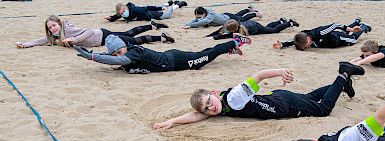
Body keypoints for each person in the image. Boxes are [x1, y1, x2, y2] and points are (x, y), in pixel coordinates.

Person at [152, 62, 365, 130]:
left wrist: (280, 72)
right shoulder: (221, 106)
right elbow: (196, 116)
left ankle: (343, 73)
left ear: (215, 94)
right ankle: (342, 86)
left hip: (283, 105)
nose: (211, 109)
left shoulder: (234, 98)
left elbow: (259, 75)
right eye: (207, 108)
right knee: (310, 97)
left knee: (324, 110)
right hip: (279, 98)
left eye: (210, 102)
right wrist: (172, 121)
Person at [73, 34, 250, 74]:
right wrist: (94, 55)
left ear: (124, 47)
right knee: (201, 54)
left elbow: (116, 60)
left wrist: (92, 57)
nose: (119, 56)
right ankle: (230, 48)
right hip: (172, 56)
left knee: (207, 57)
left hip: (177, 61)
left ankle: (234, 41)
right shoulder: (126, 53)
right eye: (116, 53)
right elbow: (115, 58)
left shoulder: (132, 52)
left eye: (120, 51)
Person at [15, 15, 173, 49]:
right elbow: (43, 40)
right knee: (129, 34)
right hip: (101, 41)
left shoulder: (67, 28)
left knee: (131, 38)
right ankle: (153, 26)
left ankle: (161, 37)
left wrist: (73, 40)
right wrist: (26, 44)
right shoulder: (56, 36)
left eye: (54, 26)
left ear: (59, 23)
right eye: (50, 28)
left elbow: (89, 32)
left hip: (101, 35)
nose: (53, 29)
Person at [273, 18, 371, 50]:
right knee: (344, 32)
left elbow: (335, 25)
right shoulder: (302, 36)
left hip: (338, 39)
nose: (307, 47)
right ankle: (356, 22)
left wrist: (352, 30)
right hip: (332, 38)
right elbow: (294, 41)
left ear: (308, 39)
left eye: (306, 46)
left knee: (353, 39)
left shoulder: (320, 33)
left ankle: (363, 27)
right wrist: (282, 44)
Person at [206, 17, 298, 40]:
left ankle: (290, 23)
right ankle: (281, 21)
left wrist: (214, 38)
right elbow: (220, 31)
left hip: (256, 27)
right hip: (252, 24)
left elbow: (226, 36)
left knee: (273, 31)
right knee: (267, 27)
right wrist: (209, 36)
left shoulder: (238, 31)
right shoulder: (234, 25)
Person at [180, 5, 262, 29]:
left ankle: (255, 14)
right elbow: (195, 20)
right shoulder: (203, 14)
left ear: (204, 13)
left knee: (242, 19)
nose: (198, 18)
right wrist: (186, 25)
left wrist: (191, 26)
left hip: (229, 19)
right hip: (226, 16)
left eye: (199, 17)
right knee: (238, 15)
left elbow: (203, 22)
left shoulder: (210, 16)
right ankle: (248, 9)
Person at [105, 1, 187, 22]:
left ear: (127, 8)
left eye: (123, 11)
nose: (123, 14)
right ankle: (167, 3)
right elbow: (117, 16)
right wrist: (111, 18)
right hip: (148, 14)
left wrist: (159, 8)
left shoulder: (136, 10)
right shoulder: (123, 14)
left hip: (150, 14)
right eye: (121, 13)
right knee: (163, 9)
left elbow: (148, 8)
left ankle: (178, 5)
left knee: (167, 14)